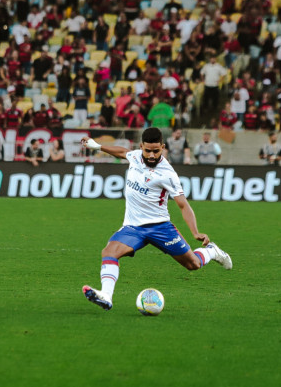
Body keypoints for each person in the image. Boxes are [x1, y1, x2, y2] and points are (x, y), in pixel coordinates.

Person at [79, 128, 232, 311]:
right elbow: (121, 152)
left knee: (193, 264)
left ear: (163, 147)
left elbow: (183, 205)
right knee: (109, 252)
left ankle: (212, 251)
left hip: (160, 227)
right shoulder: (135, 156)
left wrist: (195, 232)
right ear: (141, 146)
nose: (152, 155)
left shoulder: (168, 174)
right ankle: (106, 295)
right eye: (148, 151)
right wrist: (96, 146)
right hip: (133, 228)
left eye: (156, 151)